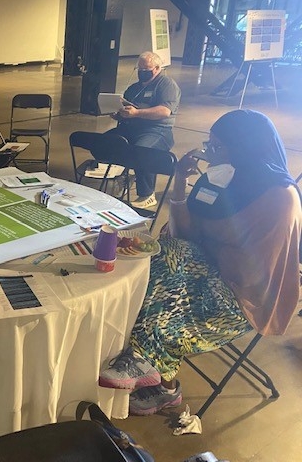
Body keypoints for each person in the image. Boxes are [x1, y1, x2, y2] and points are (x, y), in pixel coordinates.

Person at [98, 110, 302, 416]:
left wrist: (206, 235)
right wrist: (181, 180)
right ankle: (152, 371)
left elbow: (249, 269)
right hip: (213, 268)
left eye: (217, 148)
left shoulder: (278, 197)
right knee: (164, 253)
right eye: (209, 145)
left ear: (245, 148)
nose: (209, 155)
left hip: (245, 298)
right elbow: (184, 232)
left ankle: (153, 371)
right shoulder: (226, 178)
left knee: (166, 279)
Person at [108, 51, 181, 209]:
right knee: (108, 141)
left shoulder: (166, 85)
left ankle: (147, 194)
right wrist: (119, 114)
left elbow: (164, 111)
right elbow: (126, 109)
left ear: (156, 68)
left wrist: (137, 113)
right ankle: (123, 177)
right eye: (139, 69)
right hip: (132, 127)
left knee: (143, 149)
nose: (142, 72)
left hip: (157, 130)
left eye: (146, 69)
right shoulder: (134, 88)